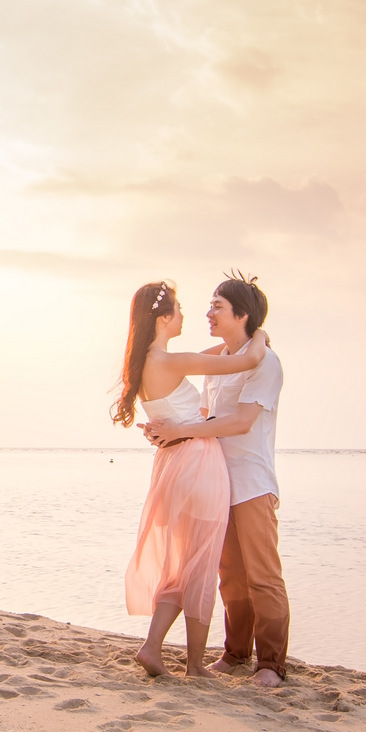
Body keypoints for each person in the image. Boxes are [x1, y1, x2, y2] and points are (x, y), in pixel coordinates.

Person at [114, 280, 270, 678]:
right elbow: (246, 361)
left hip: (173, 466)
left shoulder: (150, 361)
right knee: (200, 565)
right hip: (198, 463)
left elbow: (221, 354)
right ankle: (196, 666)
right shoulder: (171, 361)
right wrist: (262, 335)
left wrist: (239, 341)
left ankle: (153, 647)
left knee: (182, 563)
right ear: (165, 319)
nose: (187, 316)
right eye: (180, 310)